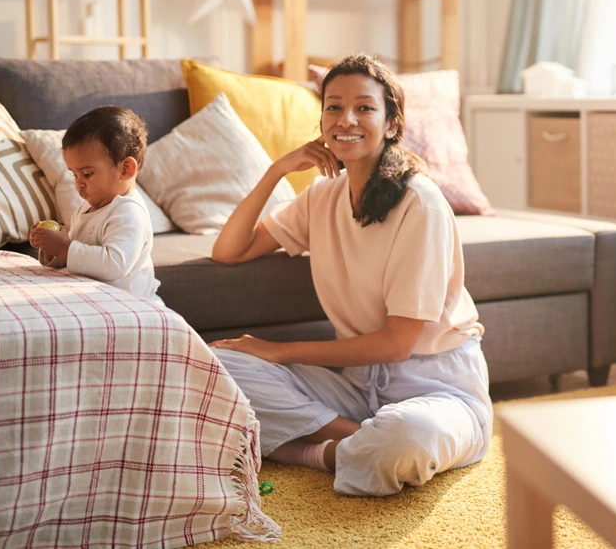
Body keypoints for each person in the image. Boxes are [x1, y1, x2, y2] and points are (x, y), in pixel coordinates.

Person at [208, 54, 492, 497]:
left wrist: (279, 352)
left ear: (392, 123)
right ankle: (359, 437)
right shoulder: (322, 196)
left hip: (438, 391)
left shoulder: (421, 203)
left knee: (404, 438)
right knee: (214, 364)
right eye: (334, 107)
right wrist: (276, 169)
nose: (347, 119)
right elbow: (228, 251)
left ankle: (311, 450)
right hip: (358, 388)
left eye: (364, 107)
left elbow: (399, 343)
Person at [29, 106, 162, 304]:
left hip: (132, 307)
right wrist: (52, 248)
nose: (78, 183)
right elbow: (78, 261)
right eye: (74, 174)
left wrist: (64, 246)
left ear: (125, 169)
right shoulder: (87, 209)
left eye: (87, 174)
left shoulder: (129, 211)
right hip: (97, 302)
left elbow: (114, 265)